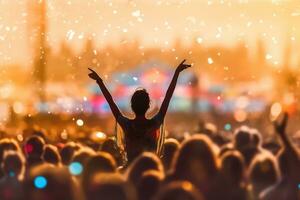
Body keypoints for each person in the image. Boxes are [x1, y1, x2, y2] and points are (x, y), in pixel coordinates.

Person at [88, 59, 191, 163]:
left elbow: (111, 102)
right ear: (148, 106)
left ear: (132, 106)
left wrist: (99, 81)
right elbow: (168, 97)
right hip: (151, 168)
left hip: (130, 170)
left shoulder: (127, 125)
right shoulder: (154, 123)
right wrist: (176, 73)